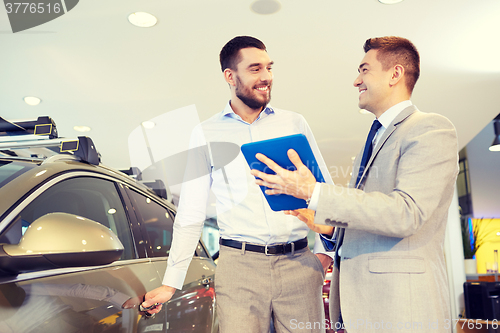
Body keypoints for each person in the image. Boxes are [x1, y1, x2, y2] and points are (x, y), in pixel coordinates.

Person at [250, 36, 459, 333]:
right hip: (364, 308)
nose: (356, 81)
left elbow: (407, 213)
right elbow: (374, 222)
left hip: (402, 309)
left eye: (364, 70)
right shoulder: (373, 138)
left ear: (395, 74)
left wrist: (315, 192)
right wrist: (332, 230)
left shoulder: (430, 128)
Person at [142, 36, 334, 333]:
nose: (266, 77)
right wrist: (171, 282)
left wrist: (325, 254)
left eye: (269, 68)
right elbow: (190, 213)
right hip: (239, 267)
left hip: (298, 264)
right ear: (230, 76)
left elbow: (324, 191)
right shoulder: (205, 132)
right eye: (255, 68)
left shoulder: (294, 123)